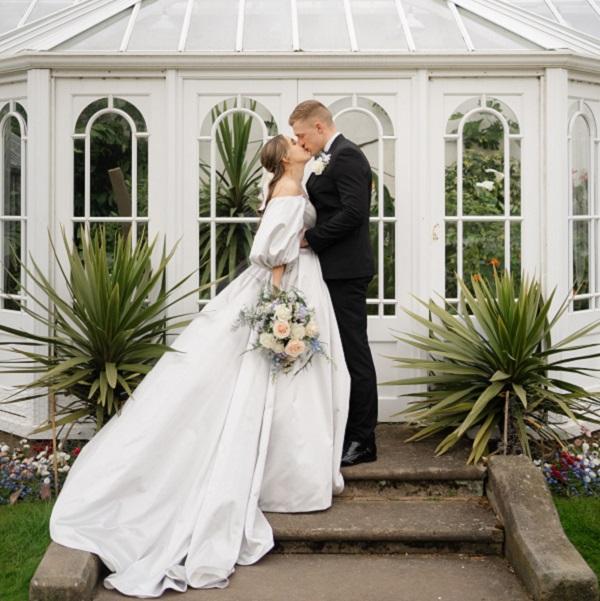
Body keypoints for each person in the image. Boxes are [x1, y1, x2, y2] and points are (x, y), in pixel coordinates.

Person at [49, 134, 350, 598]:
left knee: (290, 384)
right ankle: (289, 479)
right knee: (283, 381)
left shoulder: (293, 183)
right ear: (285, 157)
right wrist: (279, 305)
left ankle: (285, 473)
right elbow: (271, 251)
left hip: (295, 279)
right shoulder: (288, 191)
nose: (300, 143)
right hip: (288, 284)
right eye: (293, 142)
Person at [290, 100, 379, 467]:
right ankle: (343, 428)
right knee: (339, 352)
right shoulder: (328, 157)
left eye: (300, 134)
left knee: (354, 351)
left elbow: (355, 212)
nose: (299, 141)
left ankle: (363, 440)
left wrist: (312, 238)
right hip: (330, 269)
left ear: (319, 127)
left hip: (346, 270)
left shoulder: (348, 156)